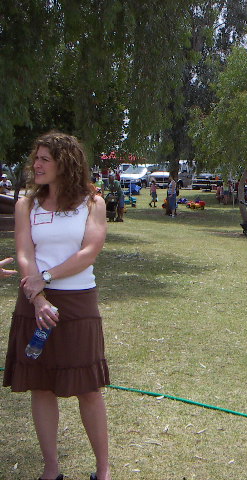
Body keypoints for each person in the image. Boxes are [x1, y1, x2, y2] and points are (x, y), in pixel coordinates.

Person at [3, 132, 111, 480]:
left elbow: (90, 251)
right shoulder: (26, 204)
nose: (36, 164)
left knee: (88, 388)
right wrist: (37, 298)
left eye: (44, 159)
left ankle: (103, 470)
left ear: (65, 163)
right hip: (34, 302)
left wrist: (46, 277)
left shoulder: (93, 202)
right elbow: (24, 253)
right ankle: (51, 469)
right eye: (36, 158)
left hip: (78, 302)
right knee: (41, 385)